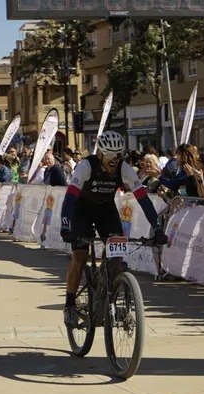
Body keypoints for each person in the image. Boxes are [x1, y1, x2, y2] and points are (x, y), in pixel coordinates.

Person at [59, 131, 168, 327]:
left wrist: (157, 228)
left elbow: (143, 200)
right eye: (110, 155)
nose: (114, 160)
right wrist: (65, 224)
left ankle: (111, 296)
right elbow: (70, 197)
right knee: (80, 257)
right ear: (100, 153)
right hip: (81, 211)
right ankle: (69, 305)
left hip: (106, 210)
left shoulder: (124, 169)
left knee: (117, 257)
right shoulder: (86, 166)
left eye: (118, 155)